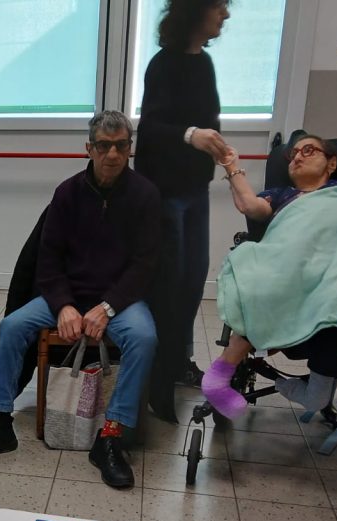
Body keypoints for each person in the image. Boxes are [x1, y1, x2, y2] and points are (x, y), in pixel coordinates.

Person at [0, 110, 160, 489]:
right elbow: (47, 259)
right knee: (13, 325)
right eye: (104, 146)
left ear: (130, 149)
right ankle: (0, 422)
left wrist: (108, 307)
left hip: (119, 301)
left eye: (121, 146)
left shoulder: (145, 196)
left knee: (145, 338)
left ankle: (110, 436)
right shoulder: (67, 193)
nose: (112, 154)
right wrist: (64, 304)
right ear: (89, 148)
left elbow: (145, 266)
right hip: (68, 295)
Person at [201, 134, 337, 418]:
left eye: (308, 150)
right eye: (294, 154)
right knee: (257, 273)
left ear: (332, 163)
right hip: (291, 267)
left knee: (317, 398)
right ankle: (219, 375)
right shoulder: (282, 195)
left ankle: (305, 389)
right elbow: (251, 207)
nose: (298, 157)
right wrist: (230, 165)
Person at [134, 0, 230, 416]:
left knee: (192, 283)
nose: (225, 15)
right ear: (198, 10)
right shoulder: (164, 64)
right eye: (221, 7)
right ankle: (157, 382)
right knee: (168, 289)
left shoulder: (204, 64)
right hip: (166, 195)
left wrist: (221, 152)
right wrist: (192, 135)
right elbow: (150, 129)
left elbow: (211, 123)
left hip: (196, 192)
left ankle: (174, 364)